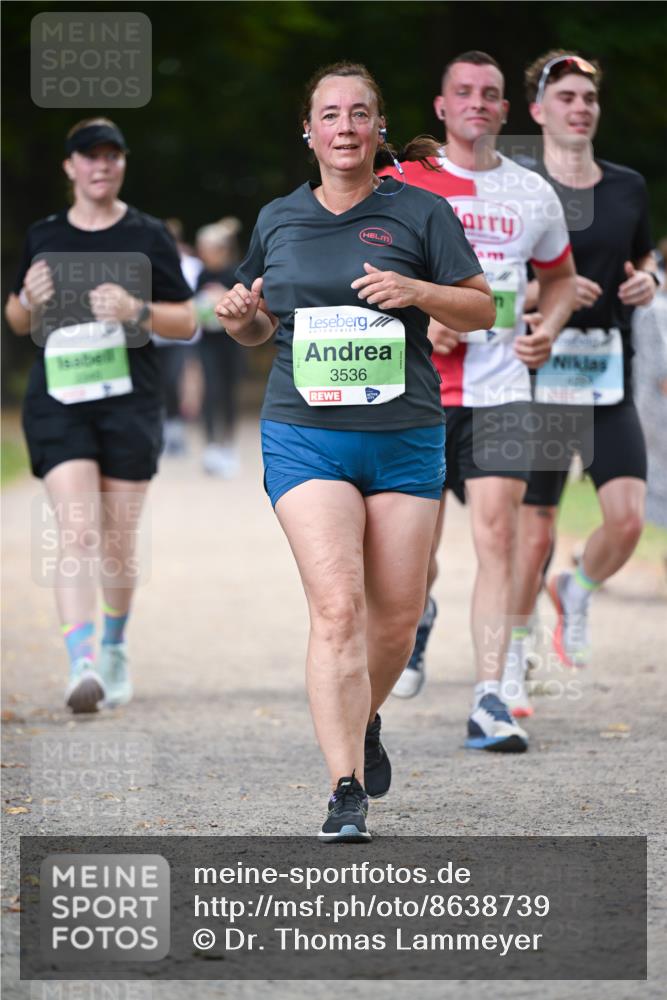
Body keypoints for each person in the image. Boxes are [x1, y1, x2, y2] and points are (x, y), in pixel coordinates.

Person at [216, 62, 494, 841]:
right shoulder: (278, 218)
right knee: (338, 606)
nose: (344, 127)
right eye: (329, 114)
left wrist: (419, 294)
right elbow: (256, 325)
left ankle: (363, 712)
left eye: (358, 114)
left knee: (395, 617)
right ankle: (344, 787)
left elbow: (480, 306)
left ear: (377, 127)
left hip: (404, 433)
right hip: (306, 434)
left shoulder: (420, 212)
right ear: (308, 131)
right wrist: (240, 315)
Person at [385, 51, 576, 751]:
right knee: (414, 557)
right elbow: (360, 270)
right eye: (462, 92)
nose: (475, 103)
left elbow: (559, 279)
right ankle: (419, 614)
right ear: (440, 106)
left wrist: (546, 330)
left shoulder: (531, 194)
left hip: (499, 389)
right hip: (417, 395)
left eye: (488, 94)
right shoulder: (401, 183)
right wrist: (423, 311)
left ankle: (489, 695)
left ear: (503, 110)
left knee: (498, 536)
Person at [5, 117, 196, 714]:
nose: (100, 165)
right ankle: (81, 662)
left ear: (122, 164)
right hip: (59, 401)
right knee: (79, 529)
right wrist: (26, 303)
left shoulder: (147, 236)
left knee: (115, 539)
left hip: (129, 401)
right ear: (70, 167)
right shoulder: (44, 235)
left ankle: (113, 645)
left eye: (111, 156)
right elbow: (14, 318)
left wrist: (137, 309)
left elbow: (187, 322)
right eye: (89, 156)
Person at [499, 52, 658, 714]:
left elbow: (641, 255)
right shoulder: (517, 188)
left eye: (588, 98)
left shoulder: (626, 186)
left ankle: (576, 590)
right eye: (565, 96)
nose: (579, 107)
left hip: (604, 376)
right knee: (531, 533)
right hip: (537, 378)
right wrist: (548, 290)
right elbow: (489, 286)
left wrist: (647, 280)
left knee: (625, 521)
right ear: (537, 111)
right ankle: (508, 658)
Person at [195, 218, 245, 477]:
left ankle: (228, 445)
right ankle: (211, 446)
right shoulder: (202, 274)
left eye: (208, 248)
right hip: (207, 343)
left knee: (228, 393)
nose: (203, 254)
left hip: (231, 343)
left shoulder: (235, 273)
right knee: (210, 391)